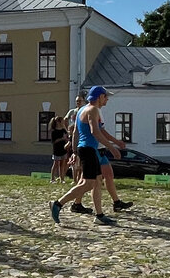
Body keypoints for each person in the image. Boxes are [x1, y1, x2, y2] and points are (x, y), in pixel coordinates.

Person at [50, 87, 120, 225]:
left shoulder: (82, 109)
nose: (107, 99)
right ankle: (58, 204)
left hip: (86, 149)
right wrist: (112, 147)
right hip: (88, 150)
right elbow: (96, 132)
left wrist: (75, 152)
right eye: (105, 97)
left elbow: (76, 132)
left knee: (96, 182)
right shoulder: (93, 110)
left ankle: (99, 215)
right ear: (99, 97)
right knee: (88, 184)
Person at [49, 113, 69, 182]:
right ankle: (52, 178)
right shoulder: (54, 131)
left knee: (62, 164)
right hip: (57, 149)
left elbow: (67, 135)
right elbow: (54, 141)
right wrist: (62, 139)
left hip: (63, 148)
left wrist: (65, 129)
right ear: (58, 122)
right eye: (62, 121)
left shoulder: (63, 130)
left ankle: (62, 178)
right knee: (56, 163)